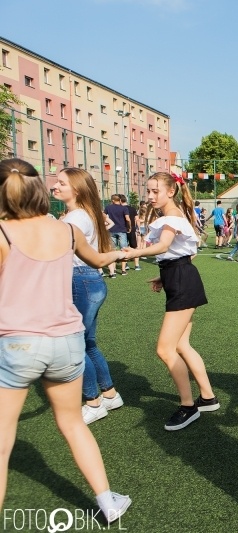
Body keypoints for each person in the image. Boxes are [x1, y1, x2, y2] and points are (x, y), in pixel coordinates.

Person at [0, 158, 130, 522]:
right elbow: (99, 259)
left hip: (18, 342)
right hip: (67, 342)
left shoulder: (4, 232)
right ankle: (108, 501)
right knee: (72, 423)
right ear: (39, 189)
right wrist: (124, 252)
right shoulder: (65, 230)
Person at [123, 172, 220, 431]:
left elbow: (164, 246)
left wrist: (136, 252)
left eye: (156, 191)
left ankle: (188, 407)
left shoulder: (171, 217)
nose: (151, 196)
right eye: (149, 191)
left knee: (165, 349)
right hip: (180, 279)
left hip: (183, 283)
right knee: (182, 345)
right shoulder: (174, 216)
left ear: (171, 191)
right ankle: (208, 398)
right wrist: (165, 276)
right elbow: (187, 254)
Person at [53, 168, 125, 424]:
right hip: (89, 280)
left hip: (80, 280)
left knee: (75, 345)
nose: (55, 186)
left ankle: (93, 402)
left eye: (62, 183)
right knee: (88, 343)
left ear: (77, 189)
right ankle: (110, 394)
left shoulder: (75, 219)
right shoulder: (82, 215)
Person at [103, 194, 130, 278]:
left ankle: (113, 270)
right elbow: (127, 219)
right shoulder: (124, 208)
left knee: (112, 250)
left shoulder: (108, 208)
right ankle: (123, 270)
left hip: (111, 230)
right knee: (124, 250)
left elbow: (103, 216)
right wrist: (129, 227)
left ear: (113, 200)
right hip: (122, 230)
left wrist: (106, 224)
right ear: (120, 200)